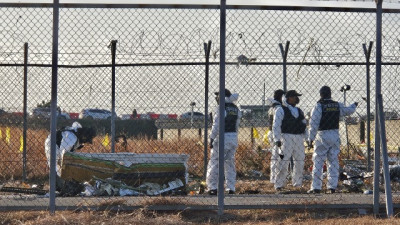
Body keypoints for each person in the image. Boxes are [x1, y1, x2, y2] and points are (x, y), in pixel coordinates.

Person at [307, 86, 358, 194]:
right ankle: (332, 187)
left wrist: (310, 139)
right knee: (333, 161)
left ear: (321, 94)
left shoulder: (318, 106)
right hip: (335, 134)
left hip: (322, 135)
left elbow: (313, 124)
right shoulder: (337, 105)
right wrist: (355, 104)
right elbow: (348, 111)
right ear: (330, 94)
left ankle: (316, 187)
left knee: (318, 161)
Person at [206, 89, 241, 195]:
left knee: (215, 162)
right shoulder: (235, 109)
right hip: (233, 137)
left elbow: (216, 125)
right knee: (230, 163)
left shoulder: (221, 108)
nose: (216, 98)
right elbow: (237, 125)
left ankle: (212, 187)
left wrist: (211, 138)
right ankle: (231, 187)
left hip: (222, 138)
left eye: (217, 96)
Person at [273, 90, 307, 191]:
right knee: (283, 161)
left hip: (299, 137)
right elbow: (276, 125)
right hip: (286, 137)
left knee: (300, 161)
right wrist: (277, 138)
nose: (297, 98)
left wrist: (308, 138)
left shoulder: (299, 111)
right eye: (295, 96)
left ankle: (297, 183)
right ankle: (279, 184)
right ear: (289, 98)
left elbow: (304, 125)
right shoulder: (281, 110)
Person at [267, 89, 285, 184]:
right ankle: (276, 178)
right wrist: (277, 138)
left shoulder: (272, 107)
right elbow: (277, 124)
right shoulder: (279, 108)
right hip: (277, 133)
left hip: (271, 132)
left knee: (274, 157)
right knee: (279, 156)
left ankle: (273, 178)